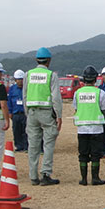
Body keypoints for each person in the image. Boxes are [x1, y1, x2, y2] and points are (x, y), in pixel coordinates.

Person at [23, 47, 63, 186]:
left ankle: (33, 175)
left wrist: (27, 112)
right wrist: (59, 115)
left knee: (33, 145)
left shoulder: (28, 74)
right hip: (46, 112)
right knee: (48, 144)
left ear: (36, 60)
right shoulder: (51, 75)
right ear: (49, 60)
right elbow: (56, 98)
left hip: (32, 112)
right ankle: (45, 174)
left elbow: (25, 95)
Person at [73, 66, 105, 185]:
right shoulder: (100, 93)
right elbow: (104, 109)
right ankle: (95, 178)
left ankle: (84, 179)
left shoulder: (77, 93)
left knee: (83, 154)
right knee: (96, 154)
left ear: (83, 79)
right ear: (96, 79)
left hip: (82, 128)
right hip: (97, 128)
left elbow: (76, 108)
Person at [7, 69, 28, 152]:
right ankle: (19, 146)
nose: (20, 81)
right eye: (18, 80)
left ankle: (26, 146)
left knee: (26, 131)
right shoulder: (12, 89)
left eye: (21, 79)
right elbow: (9, 101)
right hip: (15, 113)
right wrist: (10, 112)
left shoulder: (27, 88)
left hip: (25, 113)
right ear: (15, 80)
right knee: (16, 130)